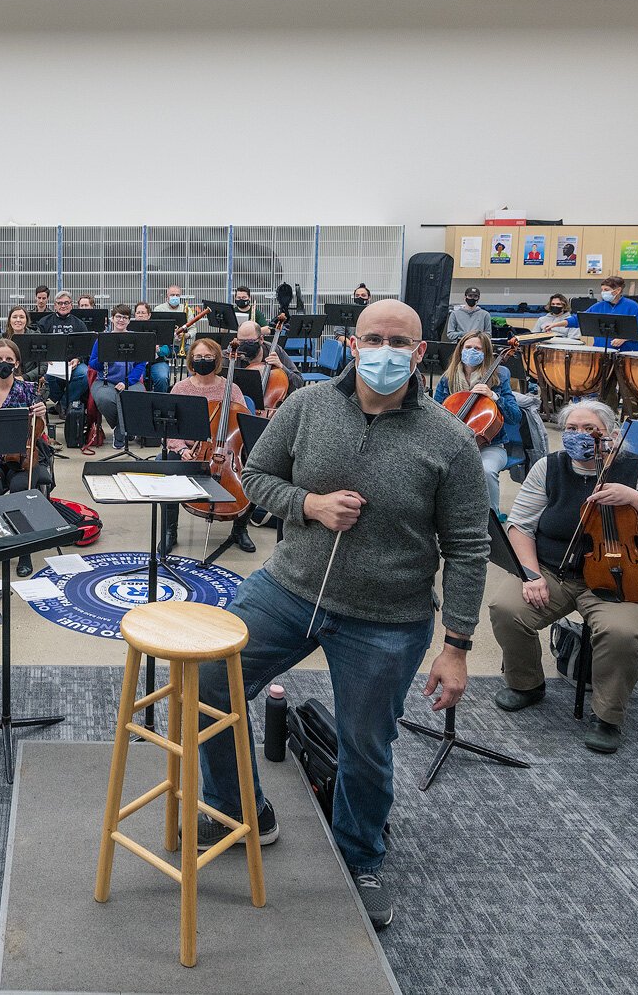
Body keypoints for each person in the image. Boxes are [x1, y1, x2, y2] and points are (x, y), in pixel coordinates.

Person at [195, 299, 489, 931]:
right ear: (352, 344)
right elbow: (256, 475)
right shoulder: (305, 405)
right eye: (373, 338)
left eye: (399, 342)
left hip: (388, 618)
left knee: (365, 744)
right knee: (208, 684)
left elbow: (468, 546)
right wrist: (310, 505)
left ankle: (360, 856)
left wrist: (457, 644)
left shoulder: (451, 440)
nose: (385, 351)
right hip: (289, 589)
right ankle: (236, 808)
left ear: (420, 351)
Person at [489, 400, 638, 754]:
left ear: (610, 435)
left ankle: (607, 717)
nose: (579, 437)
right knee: (505, 607)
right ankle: (526, 684)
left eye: (589, 429)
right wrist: (531, 575)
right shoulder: (549, 467)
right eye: (571, 430)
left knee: (622, 633)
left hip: (622, 575)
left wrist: (636, 499)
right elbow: (520, 527)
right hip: (553, 569)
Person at [159, 336, 256, 557]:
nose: (203, 360)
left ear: (217, 360)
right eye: (199, 357)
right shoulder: (181, 388)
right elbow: (170, 430)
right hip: (190, 451)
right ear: (191, 360)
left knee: (255, 470)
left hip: (225, 450)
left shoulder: (231, 388)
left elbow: (245, 425)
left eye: (208, 357)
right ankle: (169, 531)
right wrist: (182, 449)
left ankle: (240, 529)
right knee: (167, 464)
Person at [0, 337, 51, 577]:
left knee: (20, 492)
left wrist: (42, 412)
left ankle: (24, 550)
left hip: (23, 458)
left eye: (8, 359)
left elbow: (38, 430)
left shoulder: (28, 390)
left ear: (16, 363)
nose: (3, 363)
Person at [433, 331, 522, 513]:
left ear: (486, 353)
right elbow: (434, 414)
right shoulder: (447, 378)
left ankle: (493, 518)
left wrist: (494, 396)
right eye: (468, 348)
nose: (472, 351)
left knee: (486, 471)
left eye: (477, 349)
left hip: (491, 446)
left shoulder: (499, 376)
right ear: (460, 350)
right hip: (453, 446)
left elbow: (515, 416)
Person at [89, 304, 148, 450]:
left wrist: (127, 382)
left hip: (130, 381)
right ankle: (121, 428)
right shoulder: (103, 339)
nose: (121, 320)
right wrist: (104, 358)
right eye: (118, 317)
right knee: (104, 400)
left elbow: (140, 365)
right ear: (112, 319)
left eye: (125, 318)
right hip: (105, 381)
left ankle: (120, 432)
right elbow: (92, 364)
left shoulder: (135, 339)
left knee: (134, 397)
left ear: (129, 321)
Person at [542, 276, 638, 351]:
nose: (603, 292)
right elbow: (579, 319)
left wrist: (625, 338)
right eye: (602, 289)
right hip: (601, 352)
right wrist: (555, 324)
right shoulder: (599, 306)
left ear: (617, 291)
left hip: (627, 353)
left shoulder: (632, 306)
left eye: (606, 289)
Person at [234, 319, 302, 418]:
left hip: (271, 412)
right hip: (243, 407)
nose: (245, 345)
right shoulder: (233, 353)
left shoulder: (275, 350)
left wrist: (282, 367)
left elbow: (299, 381)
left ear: (261, 339)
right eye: (241, 341)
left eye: (250, 341)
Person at [37, 290, 89, 410]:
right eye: (60, 303)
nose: (63, 306)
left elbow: (86, 348)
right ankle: (62, 404)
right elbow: (39, 345)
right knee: (46, 377)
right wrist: (46, 359)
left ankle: (63, 404)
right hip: (51, 363)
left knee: (85, 374)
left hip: (73, 364)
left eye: (66, 303)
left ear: (71, 305)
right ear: (55, 305)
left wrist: (78, 359)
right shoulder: (44, 322)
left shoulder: (79, 324)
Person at [135, 300, 172, 393]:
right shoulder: (129, 328)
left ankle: (160, 402)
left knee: (162, 378)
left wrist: (158, 349)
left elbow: (167, 351)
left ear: (149, 315)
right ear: (134, 315)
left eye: (143, 313)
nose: (140, 315)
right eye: (138, 313)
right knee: (137, 379)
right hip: (137, 363)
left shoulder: (159, 328)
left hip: (157, 362)